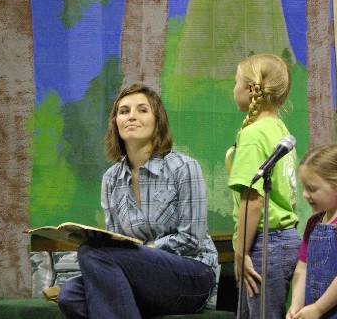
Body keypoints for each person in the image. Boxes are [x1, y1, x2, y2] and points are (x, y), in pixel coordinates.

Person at [57, 84, 218, 319]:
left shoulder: (183, 167)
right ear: (115, 123)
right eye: (124, 111)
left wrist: (146, 250)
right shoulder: (111, 179)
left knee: (92, 254)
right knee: (70, 295)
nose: (131, 116)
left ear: (157, 121)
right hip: (142, 279)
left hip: (192, 276)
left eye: (142, 110)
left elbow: (191, 240)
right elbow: (115, 245)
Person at [225, 53, 301, 319]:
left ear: (250, 89)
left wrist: (240, 251)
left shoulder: (253, 134)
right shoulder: (278, 127)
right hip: (285, 239)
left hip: (266, 242)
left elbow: (253, 200)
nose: (232, 89)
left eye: (235, 82)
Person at [287, 144, 337, 319]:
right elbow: (302, 267)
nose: (305, 195)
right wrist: (297, 304)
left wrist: (318, 309)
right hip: (312, 309)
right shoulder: (314, 222)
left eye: (312, 189)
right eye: (304, 188)